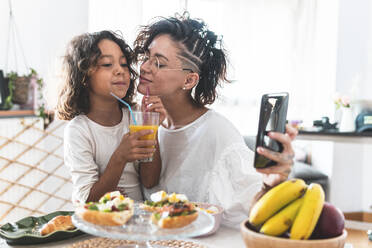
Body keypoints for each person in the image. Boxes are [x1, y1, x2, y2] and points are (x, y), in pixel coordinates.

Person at [133, 13, 298, 227]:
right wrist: (151, 131)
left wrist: (274, 181)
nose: (144, 67)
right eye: (147, 57)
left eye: (159, 63)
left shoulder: (216, 131)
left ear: (189, 80)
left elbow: (254, 205)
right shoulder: (153, 122)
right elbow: (149, 184)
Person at [57, 30, 162, 204]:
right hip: (100, 225)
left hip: (137, 222)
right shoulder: (78, 130)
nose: (120, 71)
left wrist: (152, 128)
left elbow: (150, 181)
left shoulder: (135, 115)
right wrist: (120, 157)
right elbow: (88, 201)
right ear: (84, 76)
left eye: (124, 64)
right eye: (107, 64)